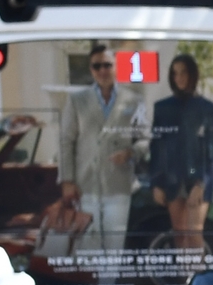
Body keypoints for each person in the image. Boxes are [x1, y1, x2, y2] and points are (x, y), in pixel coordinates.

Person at [53, 43, 144, 251]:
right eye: (97, 66)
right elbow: (66, 140)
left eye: (107, 65)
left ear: (115, 67)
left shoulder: (133, 100)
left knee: (114, 244)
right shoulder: (77, 100)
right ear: (91, 70)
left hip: (119, 184)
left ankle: (110, 284)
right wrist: (67, 180)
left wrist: (131, 152)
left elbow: (146, 139)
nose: (103, 70)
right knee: (88, 244)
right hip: (86, 185)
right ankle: (91, 283)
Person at [146, 54, 213, 249]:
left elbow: (212, 151)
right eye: (175, 73)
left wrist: (201, 182)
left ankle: (200, 280)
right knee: (179, 236)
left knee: (194, 233)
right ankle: (184, 279)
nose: (179, 77)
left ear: (192, 75)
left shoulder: (209, 110)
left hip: (198, 180)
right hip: (171, 179)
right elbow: (156, 148)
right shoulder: (162, 108)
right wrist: (156, 183)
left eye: (183, 72)